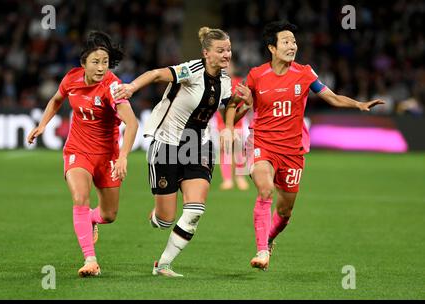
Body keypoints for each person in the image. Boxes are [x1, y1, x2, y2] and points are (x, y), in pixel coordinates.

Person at [228, 21, 385, 271]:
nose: (293, 45)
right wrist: (244, 105)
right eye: (286, 41)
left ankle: (268, 240)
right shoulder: (256, 75)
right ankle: (261, 251)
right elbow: (235, 117)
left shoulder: (305, 73)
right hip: (262, 142)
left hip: (292, 150)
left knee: (286, 210)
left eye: (294, 41)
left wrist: (358, 104)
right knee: (265, 190)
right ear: (272, 47)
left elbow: (331, 97)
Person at [114, 27, 251, 277]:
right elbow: (156, 74)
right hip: (166, 143)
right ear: (206, 53)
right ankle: (158, 214)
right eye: (220, 50)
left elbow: (229, 105)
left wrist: (235, 118)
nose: (227, 55)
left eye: (229, 50)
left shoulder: (226, 81)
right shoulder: (191, 70)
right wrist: (131, 88)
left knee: (195, 210)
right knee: (165, 220)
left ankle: (163, 264)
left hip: (197, 145)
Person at [27, 31, 139, 277]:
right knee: (80, 197)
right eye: (96, 62)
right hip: (78, 150)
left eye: (105, 63)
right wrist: (43, 124)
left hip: (108, 155)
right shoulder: (72, 79)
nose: (101, 68)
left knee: (109, 215)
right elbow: (56, 100)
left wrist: (123, 156)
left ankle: (92, 219)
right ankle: (90, 260)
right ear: (83, 64)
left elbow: (132, 123)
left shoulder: (113, 87)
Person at [212, 61, 250, 191]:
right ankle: (227, 179)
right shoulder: (217, 83)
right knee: (225, 150)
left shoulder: (239, 83)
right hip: (221, 122)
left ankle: (240, 177)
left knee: (239, 149)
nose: (227, 68)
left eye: (229, 66)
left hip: (238, 121)